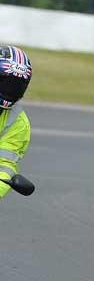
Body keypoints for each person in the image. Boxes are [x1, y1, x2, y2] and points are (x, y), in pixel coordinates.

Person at [0, 45, 32, 199]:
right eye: (4, 82)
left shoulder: (18, 123)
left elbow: (5, 165)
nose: (8, 90)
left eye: (15, 86)